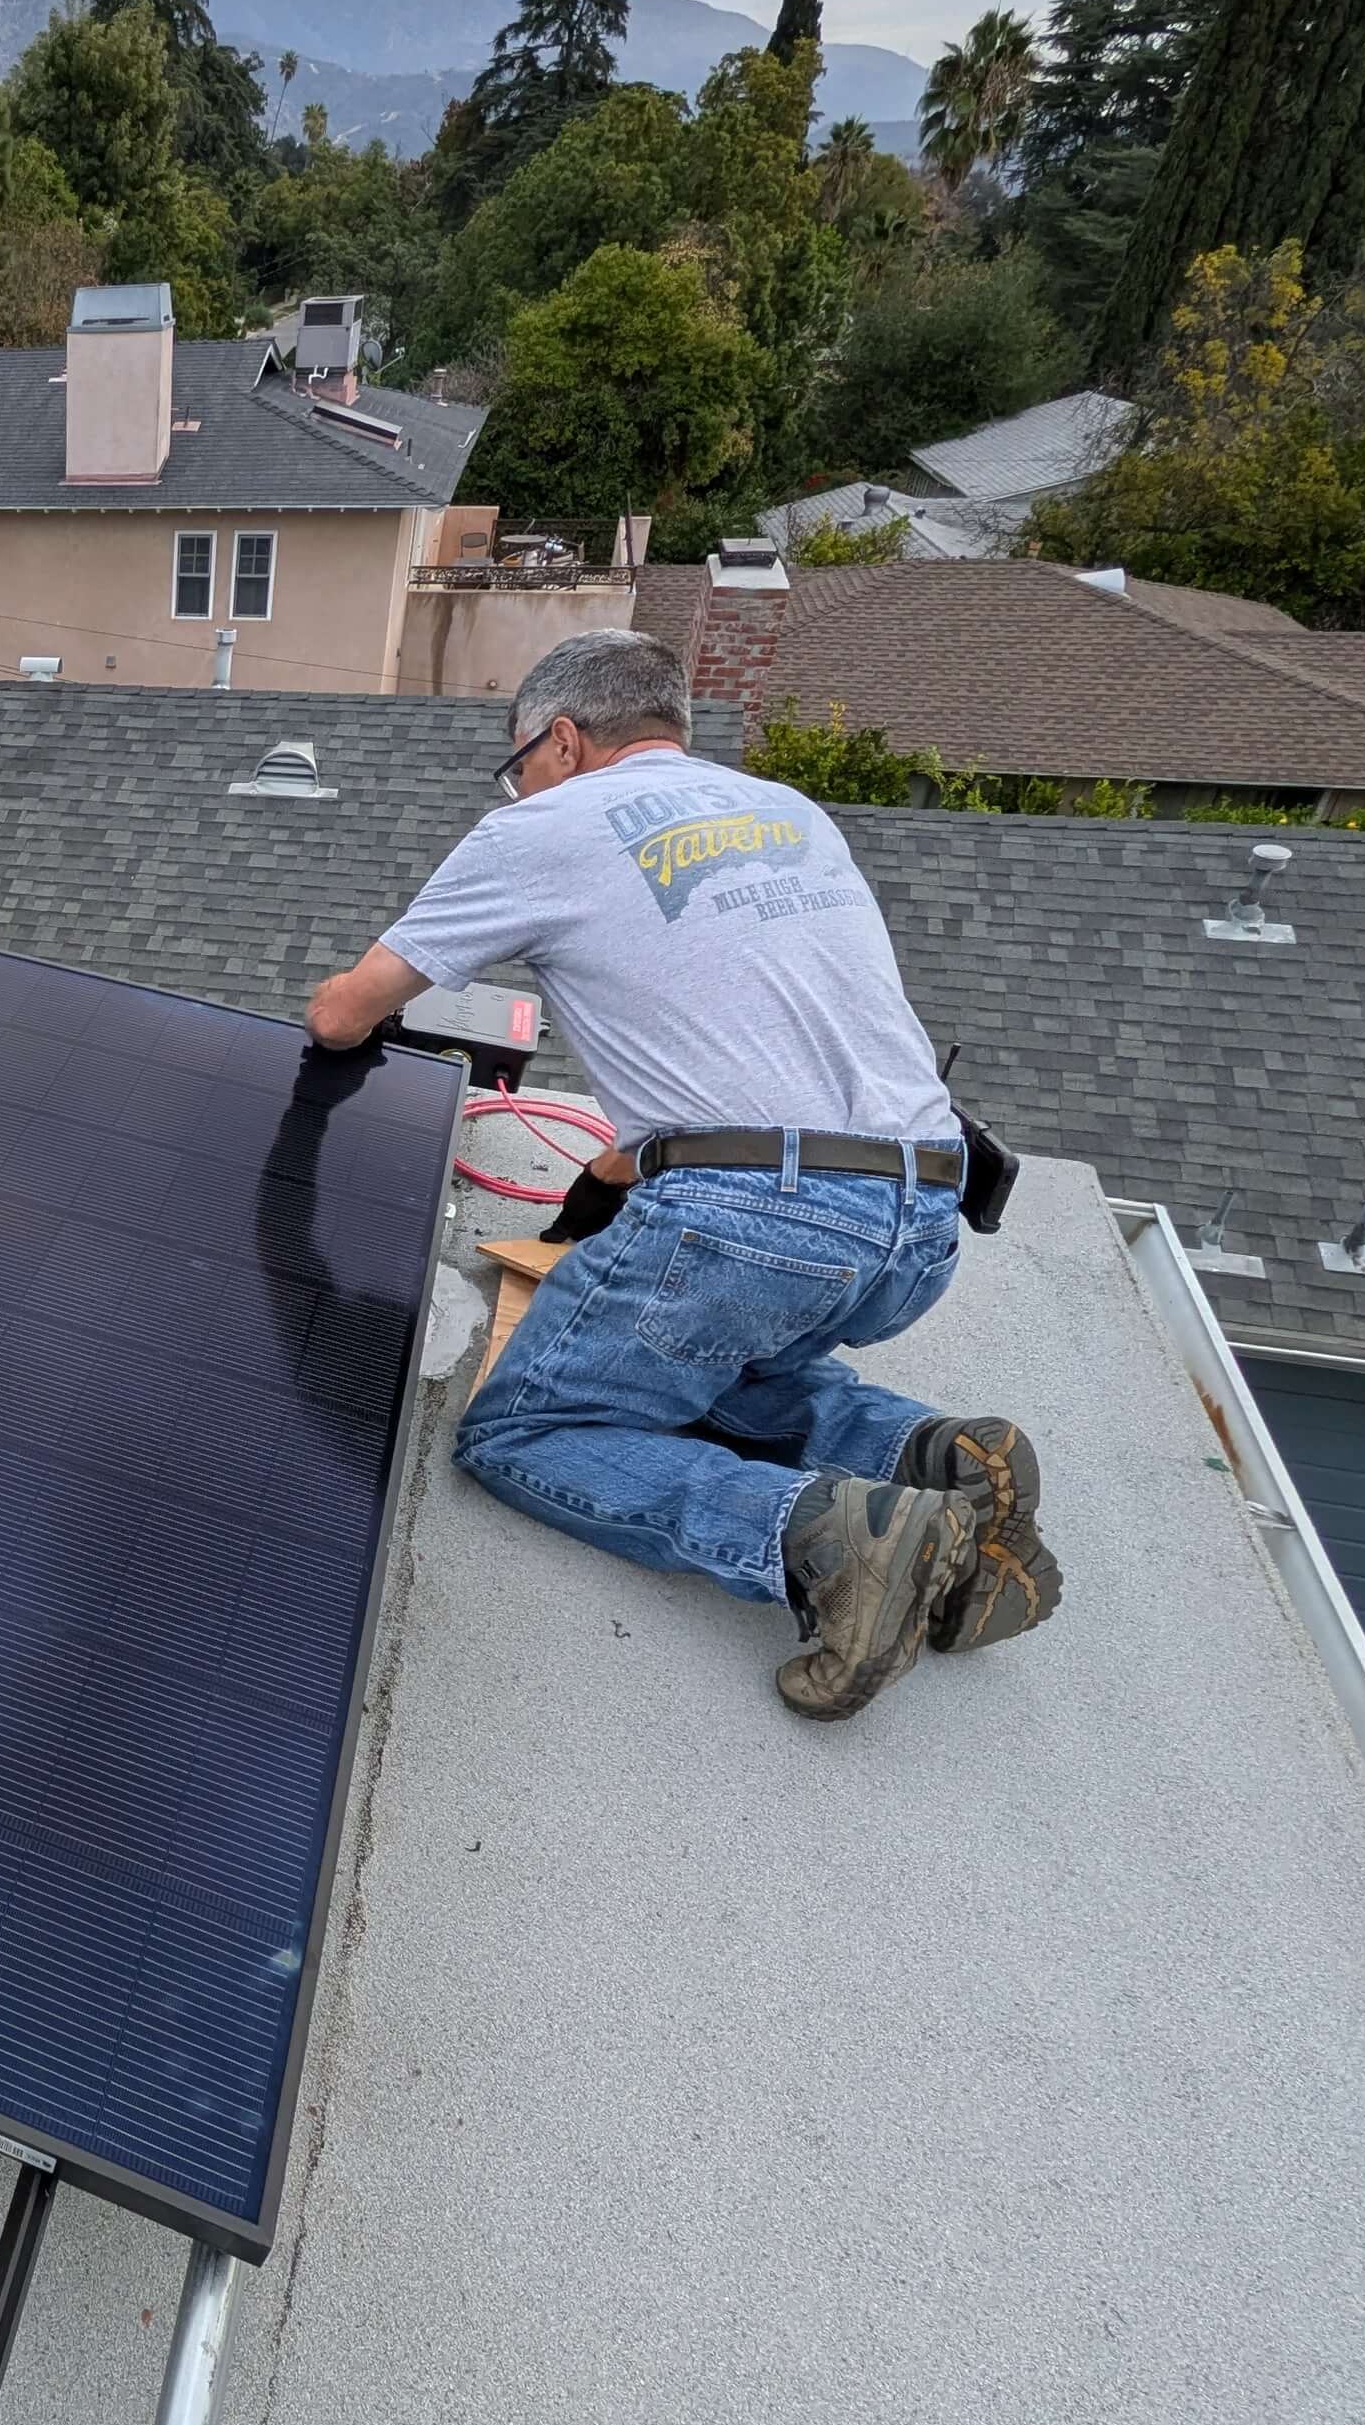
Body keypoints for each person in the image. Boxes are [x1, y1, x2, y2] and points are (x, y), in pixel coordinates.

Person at [303, 629, 1061, 1721]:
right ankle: (932, 1453)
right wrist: (599, 1205)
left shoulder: (542, 826)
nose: (517, 782)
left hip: (763, 1220)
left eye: (519, 760)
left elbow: (344, 1012)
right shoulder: (793, 815)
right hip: (924, 1219)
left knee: (526, 1430)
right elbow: (746, 1074)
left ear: (561, 740)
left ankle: (825, 1538)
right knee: (717, 1360)